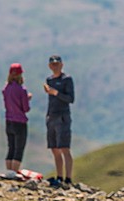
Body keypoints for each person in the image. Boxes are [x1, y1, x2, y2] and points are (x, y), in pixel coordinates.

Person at [43, 55, 75, 187]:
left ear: (61, 65)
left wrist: (56, 93)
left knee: (64, 148)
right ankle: (59, 176)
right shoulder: (49, 80)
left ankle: (68, 178)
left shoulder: (66, 79)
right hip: (52, 116)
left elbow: (70, 99)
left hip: (63, 116)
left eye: (57, 64)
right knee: (54, 148)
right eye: (53, 64)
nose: (55, 66)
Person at [2, 63, 31, 173]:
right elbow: (26, 108)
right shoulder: (22, 90)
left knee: (11, 147)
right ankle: (14, 173)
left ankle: (9, 172)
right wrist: (27, 98)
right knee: (19, 149)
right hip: (19, 122)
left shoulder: (6, 89)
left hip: (8, 120)